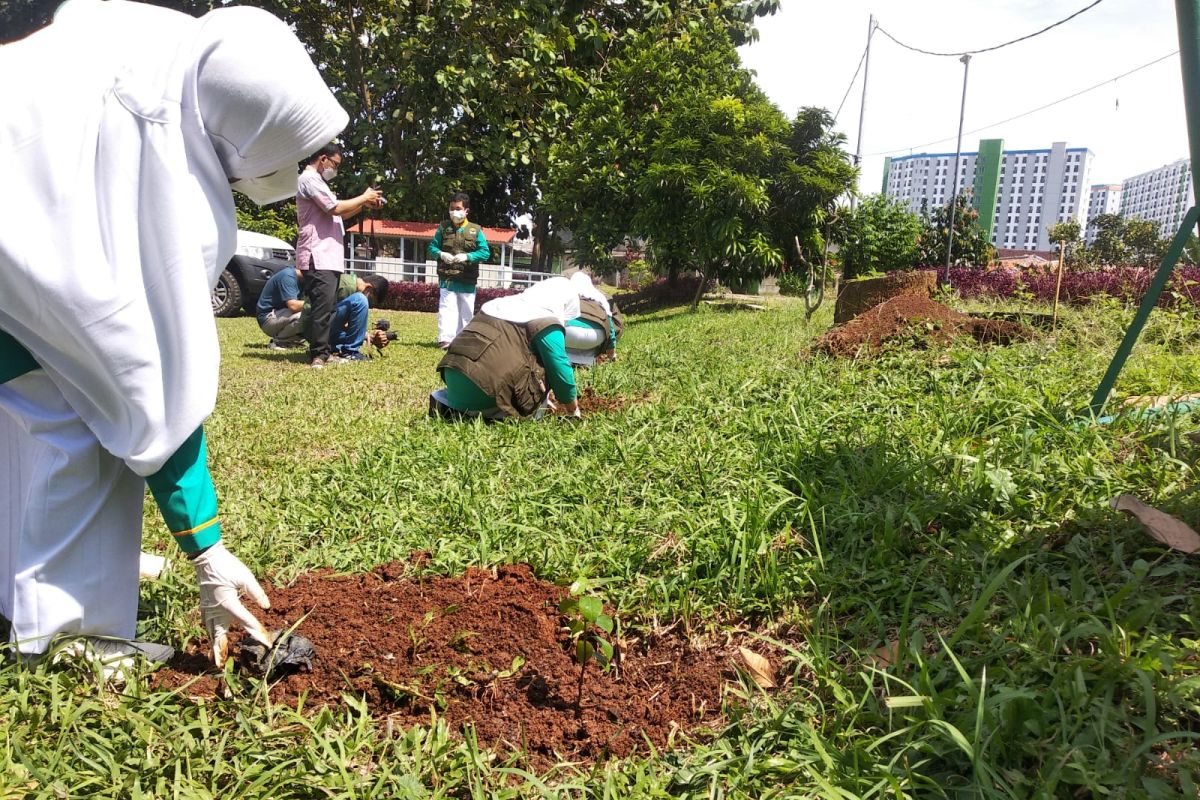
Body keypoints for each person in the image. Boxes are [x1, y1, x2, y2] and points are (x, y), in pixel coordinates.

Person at [0, 0, 348, 668]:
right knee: (78, 434)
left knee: (38, 412)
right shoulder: (157, 156)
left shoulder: (149, 46)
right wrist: (207, 549)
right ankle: (67, 646)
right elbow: (146, 381)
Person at [431, 277, 581, 420]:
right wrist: (573, 410)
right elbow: (559, 368)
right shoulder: (546, 321)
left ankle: (457, 405)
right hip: (487, 395)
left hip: (454, 380)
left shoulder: (497, 305)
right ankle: (491, 410)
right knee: (546, 362)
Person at [296, 144, 384, 369]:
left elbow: (340, 212)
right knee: (322, 308)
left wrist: (364, 204)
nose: (334, 169)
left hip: (328, 256)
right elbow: (334, 208)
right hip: (317, 253)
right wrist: (364, 196)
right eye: (334, 164)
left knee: (328, 307)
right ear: (323, 159)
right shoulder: (309, 179)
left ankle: (324, 352)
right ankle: (318, 355)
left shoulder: (319, 182)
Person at [429, 193, 490, 348]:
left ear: (466, 211)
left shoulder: (475, 230)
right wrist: (441, 254)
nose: (454, 212)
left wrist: (468, 257)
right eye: (452, 208)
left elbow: (485, 252)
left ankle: (463, 341)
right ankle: (445, 340)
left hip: (467, 279)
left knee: (466, 312)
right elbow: (432, 248)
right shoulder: (443, 228)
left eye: (458, 208)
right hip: (447, 277)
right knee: (447, 309)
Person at [298, 273, 390, 363]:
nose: (369, 304)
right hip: (314, 327)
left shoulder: (348, 283)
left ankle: (330, 348)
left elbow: (336, 318)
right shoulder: (348, 286)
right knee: (360, 300)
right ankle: (350, 352)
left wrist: (368, 337)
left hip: (314, 328)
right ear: (369, 288)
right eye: (371, 300)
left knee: (352, 334)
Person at [565, 272, 623, 366]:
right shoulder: (599, 297)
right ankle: (588, 360)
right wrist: (611, 354)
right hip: (595, 337)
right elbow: (610, 327)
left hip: (567, 335)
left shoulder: (566, 295)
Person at [256, 267, 305, 349]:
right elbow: (293, 306)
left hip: (281, 315)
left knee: (313, 314)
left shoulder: (303, 280)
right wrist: (318, 303)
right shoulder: (288, 276)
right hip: (268, 319)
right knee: (304, 316)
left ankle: (292, 341)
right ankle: (278, 342)